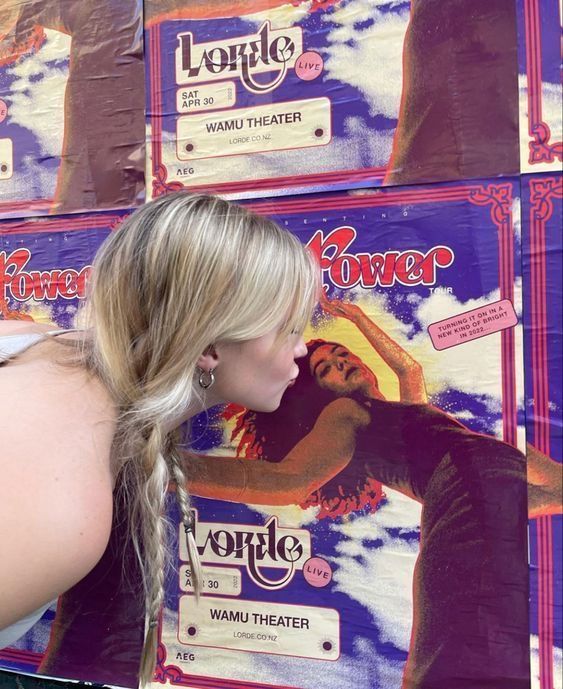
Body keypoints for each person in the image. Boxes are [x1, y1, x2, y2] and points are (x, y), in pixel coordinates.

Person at [0, 193, 375, 687]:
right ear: (210, 346)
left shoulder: (27, 343)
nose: (304, 350)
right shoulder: (66, 509)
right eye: (289, 328)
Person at [229, 293, 533, 689]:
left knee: (480, 639)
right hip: (468, 492)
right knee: (463, 645)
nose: (342, 362)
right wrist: (174, 466)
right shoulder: (347, 415)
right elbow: (290, 479)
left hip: (488, 487)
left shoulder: (403, 416)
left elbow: (410, 370)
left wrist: (355, 316)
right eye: (327, 369)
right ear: (319, 395)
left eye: (342, 354)